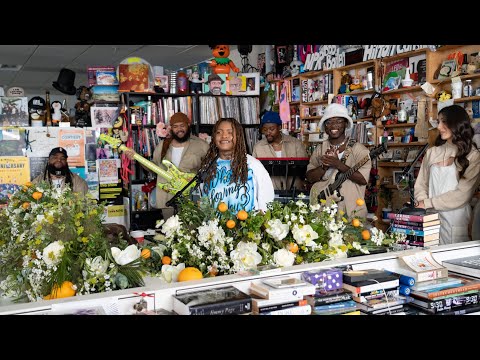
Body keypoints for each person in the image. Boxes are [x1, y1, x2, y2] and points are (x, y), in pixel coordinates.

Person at [415, 104, 480, 244]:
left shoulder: (473, 156)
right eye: (438, 121)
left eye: (443, 121)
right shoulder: (432, 153)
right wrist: (422, 205)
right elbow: (421, 184)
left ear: (456, 123)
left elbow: (462, 194)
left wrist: (427, 203)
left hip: (457, 221)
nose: (438, 127)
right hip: (430, 219)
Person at [124, 112, 209, 219]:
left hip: (191, 196)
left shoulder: (201, 145)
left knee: (190, 231)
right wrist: (136, 158)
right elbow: (153, 167)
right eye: (175, 126)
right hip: (167, 197)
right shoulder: (163, 145)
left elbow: (210, 169)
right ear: (171, 128)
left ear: (188, 125)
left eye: (182, 126)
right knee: (170, 230)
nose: (179, 129)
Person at [306, 103, 371, 218]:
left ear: (346, 124)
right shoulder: (320, 149)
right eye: (329, 122)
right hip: (323, 210)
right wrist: (324, 167)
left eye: (338, 121)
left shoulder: (359, 149)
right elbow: (310, 178)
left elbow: (362, 179)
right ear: (325, 127)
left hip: (351, 209)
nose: (333, 126)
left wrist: (337, 164)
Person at [199, 117, 274, 212]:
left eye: (230, 132)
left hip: (247, 225)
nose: (224, 136)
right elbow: (203, 202)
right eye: (219, 132)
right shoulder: (207, 167)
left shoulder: (253, 165)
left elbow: (267, 201)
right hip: (213, 226)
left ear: (238, 136)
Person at [252, 111, 308, 191]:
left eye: (272, 129)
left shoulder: (296, 144)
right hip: (268, 193)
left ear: (279, 127)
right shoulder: (258, 147)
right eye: (265, 129)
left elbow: (304, 170)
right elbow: (254, 173)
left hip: (294, 192)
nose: (268, 132)